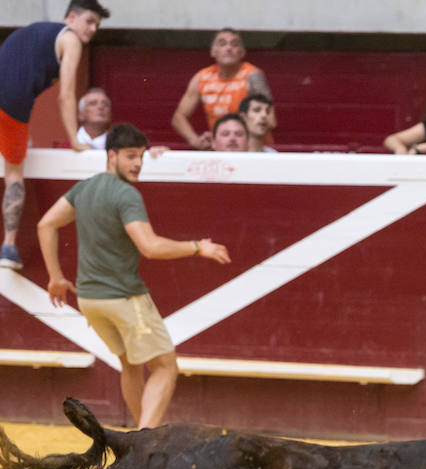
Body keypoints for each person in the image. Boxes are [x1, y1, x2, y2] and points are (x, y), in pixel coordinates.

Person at [37, 123, 231, 429]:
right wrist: (197, 247)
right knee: (166, 367)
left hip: (90, 300)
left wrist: (55, 278)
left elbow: (45, 224)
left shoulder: (84, 187)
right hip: (124, 299)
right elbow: (150, 247)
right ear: (111, 155)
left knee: (130, 364)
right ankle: (146, 440)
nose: (138, 163)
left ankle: (139, 444)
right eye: (130, 156)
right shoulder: (126, 195)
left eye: (140, 156)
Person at [0, 0, 110, 272]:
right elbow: (66, 95)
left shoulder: (33, 30)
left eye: (97, 25)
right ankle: (9, 245)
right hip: (11, 107)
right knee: (14, 174)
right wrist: (74, 139)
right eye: (89, 21)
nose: (93, 29)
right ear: (71, 17)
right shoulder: (70, 39)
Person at [171, 28, 273, 150]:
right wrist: (195, 140)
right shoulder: (202, 77)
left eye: (234, 44)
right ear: (213, 52)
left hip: (253, 150)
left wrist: (241, 141)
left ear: (242, 52)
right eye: (222, 43)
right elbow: (178, 117)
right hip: (222, 149)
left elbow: (270, 119)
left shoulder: (253, 75)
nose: (228, 48)